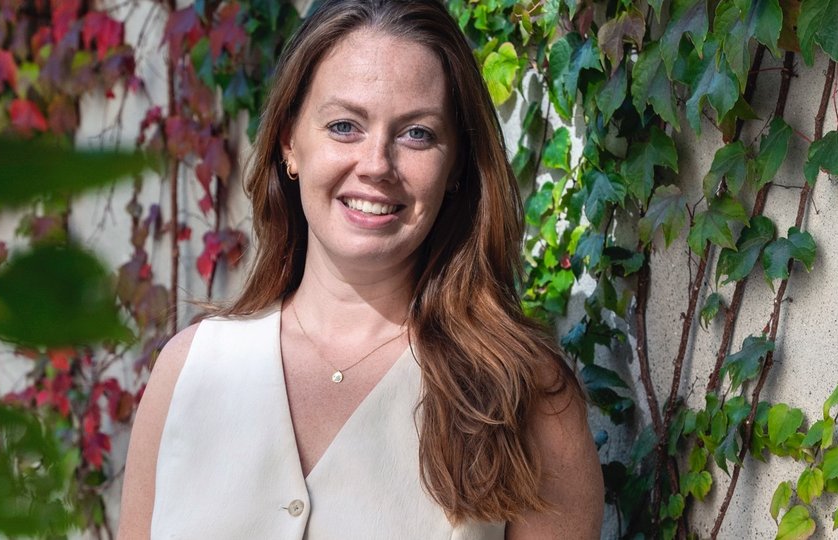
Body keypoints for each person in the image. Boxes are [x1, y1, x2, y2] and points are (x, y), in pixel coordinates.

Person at [118, 0, 604, 537]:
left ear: (457, 165)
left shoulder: (525, 395)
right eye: (345, 125)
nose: (376, 165)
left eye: (416, 133)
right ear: (289, 143)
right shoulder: (188, 374)